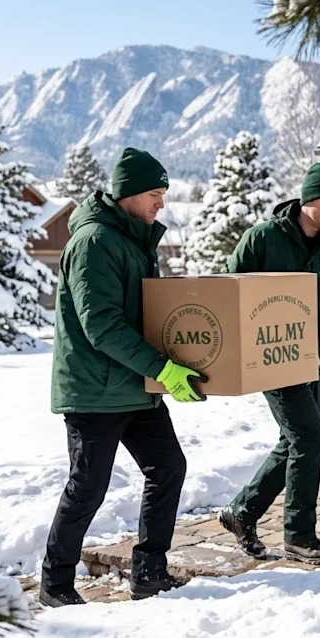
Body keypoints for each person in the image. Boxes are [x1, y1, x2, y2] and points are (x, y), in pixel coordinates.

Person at [41, 147, 207, 607]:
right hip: (95, 390)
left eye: (163, 193)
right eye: (155, 193)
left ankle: (149, 572)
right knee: (88, 486)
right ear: (129, 193)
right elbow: (102, 326)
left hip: (135, 386)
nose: (161, 203)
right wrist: (163, 368)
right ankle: (54, 584)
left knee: (168, 466)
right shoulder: (95, 242)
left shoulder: (134, 239)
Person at [217, 162, 320, 565]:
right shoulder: (263, 238)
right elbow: (231, 291)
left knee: (294, 440)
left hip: (314, 360)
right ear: (308, 198)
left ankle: (241, 512)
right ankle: (299, 536)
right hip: (272, 359)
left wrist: (317, 344)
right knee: (309, 440)